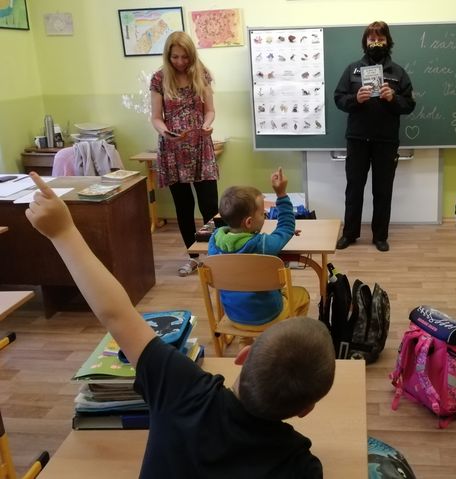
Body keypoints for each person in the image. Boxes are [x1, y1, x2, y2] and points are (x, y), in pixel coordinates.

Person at [24, 172, 336, 478]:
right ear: (306, 409)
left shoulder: (181, 387)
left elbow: (116, 314)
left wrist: (63, 232)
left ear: (244, 355)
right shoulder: (301, 466)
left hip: (232, 314)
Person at [334, 21, 416, 252]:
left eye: (381, 39)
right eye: (372, 39)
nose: (376, 43)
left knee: (382, 191)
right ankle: (350, 233)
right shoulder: (352, 70)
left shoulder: (398, 72)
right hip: (357, 140)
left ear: (388, 41)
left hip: (385, 141)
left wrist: (393, 98)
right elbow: (338, 98)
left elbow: (409, 105)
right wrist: (355, 99)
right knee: (354, 189)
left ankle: (380, 236)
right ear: (365, 42)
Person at [208, 167, 310, 330]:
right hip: (268, 316)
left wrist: (283, 233)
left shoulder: (214, 242)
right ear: (249, 222)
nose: (265, 216)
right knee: (303, 295)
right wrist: (281, 194)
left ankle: (245, 341)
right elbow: (286, 227)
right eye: (263, 213)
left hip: (234, 316)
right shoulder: (261, 245)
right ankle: (285, 336)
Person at [151, 31, 218, 277]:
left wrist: (207, 125)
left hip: (200, 146)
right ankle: (194, 258)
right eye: (175, 57)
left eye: (184, 57)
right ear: (168, 56)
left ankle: (215, 255)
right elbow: (155, 117)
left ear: (192, 55)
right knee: (184, 206)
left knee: (210, 205)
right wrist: (166, 132)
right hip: (173, 149)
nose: (180, 62)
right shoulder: (159, 78)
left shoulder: (202, 74)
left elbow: (210, 111)